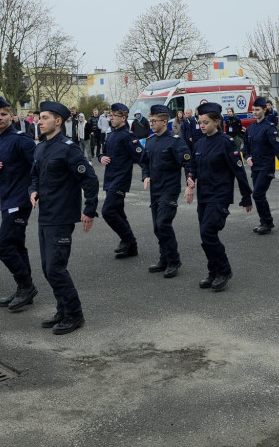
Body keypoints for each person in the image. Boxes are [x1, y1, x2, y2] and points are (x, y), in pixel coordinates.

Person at [29, 100, 99, 335]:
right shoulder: (40, 147)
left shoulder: (69, 149)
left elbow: (89, 180)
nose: (40, 121)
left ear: (58, 121)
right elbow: (34, 177)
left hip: (62, 215)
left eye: (45, 118)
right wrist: (33, 191)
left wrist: (89, 209)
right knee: (47, 268)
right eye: (39, 117)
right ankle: (62, 308)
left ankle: (75, 314)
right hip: (45, 215)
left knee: (56, 268)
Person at [184, 102, 253, 292]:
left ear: (216, 121)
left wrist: (246, 197)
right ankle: (213, 271)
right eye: (200, 122)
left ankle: (224, 270)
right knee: (206, 236)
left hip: (220, 196)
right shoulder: (199, 143)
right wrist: (190, 183)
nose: (202, 125)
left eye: (206, 122)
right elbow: (193, 168)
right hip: (204, 196)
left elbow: (239, 172)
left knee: (208, 232)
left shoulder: (227, 143)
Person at [0, 97, 40, 312]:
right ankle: (23, 288)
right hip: (6, 198)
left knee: (4, 246)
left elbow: (37, 167)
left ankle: (27, 287)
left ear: (11, 116)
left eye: (4, 114)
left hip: (20, 200)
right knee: (17, 245)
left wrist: (34, 190)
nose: (0, 118)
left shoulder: (22, 140)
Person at [140, 104, 191, 278]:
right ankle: (164, 259)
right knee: (157, 227)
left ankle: (174, 261)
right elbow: (144, 162)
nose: (151, 123)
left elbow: (187, 162)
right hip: (155, 190)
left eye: (154, 121)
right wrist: (145, 175)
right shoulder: (151, 140)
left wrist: (189, 184)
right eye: (150, 120)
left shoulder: (175, 141)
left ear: (164, 121)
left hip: (169, 189)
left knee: (163, 223)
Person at [242, 97, 279, 234]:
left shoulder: (269, 128)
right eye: (253, 110)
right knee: (260, 195)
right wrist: (248, 157)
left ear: (264, 110)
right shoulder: (251, 128)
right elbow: (245, 148)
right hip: (255, 167)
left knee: (257, 193)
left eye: (257, 110)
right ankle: (265, 222)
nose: (255, 112)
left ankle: (267, 222)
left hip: (266, 166)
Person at [100, 103, 145, 259]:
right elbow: (103, 152)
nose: (111, 118)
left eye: (114, 116)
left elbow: (141, 157)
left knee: (108, 211)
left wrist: (148, 174)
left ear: (124, 118)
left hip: (120, 180)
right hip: (109, 179)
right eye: (110, 116)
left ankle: (127, 239)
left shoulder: (128, 136)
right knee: (119, 212)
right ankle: (132, 248)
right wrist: (101, 157)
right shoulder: (111, 134)